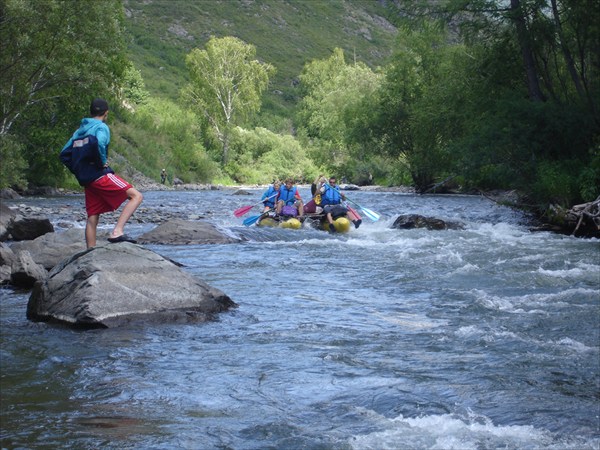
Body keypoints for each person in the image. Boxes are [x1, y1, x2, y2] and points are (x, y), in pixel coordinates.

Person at [61, 98, 143, 248]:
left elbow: (64, 154)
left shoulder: (79, 131)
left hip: (87, 180)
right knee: (136, 196)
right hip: (99, 174)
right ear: (106, 113)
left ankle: (90, 252)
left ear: (91, 112)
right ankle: (117, 232)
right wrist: (101, 162)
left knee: (93, 216)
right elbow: (99, 143)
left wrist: (78, 170)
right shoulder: (101, 127)